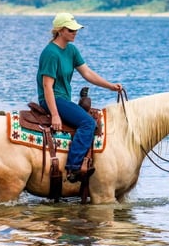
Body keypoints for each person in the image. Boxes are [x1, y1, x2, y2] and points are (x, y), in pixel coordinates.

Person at [37, 12, 123, 182]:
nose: (75, 32)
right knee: (88, 123)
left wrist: (110, 86)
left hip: (63, 99)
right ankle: (73, 167)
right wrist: (55, 114)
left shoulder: (71, 50)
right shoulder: (51, 53)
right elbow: (47, 86)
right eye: (71, 30)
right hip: (53, 98)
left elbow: (87, 73)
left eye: (76, 30)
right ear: (60, 31)